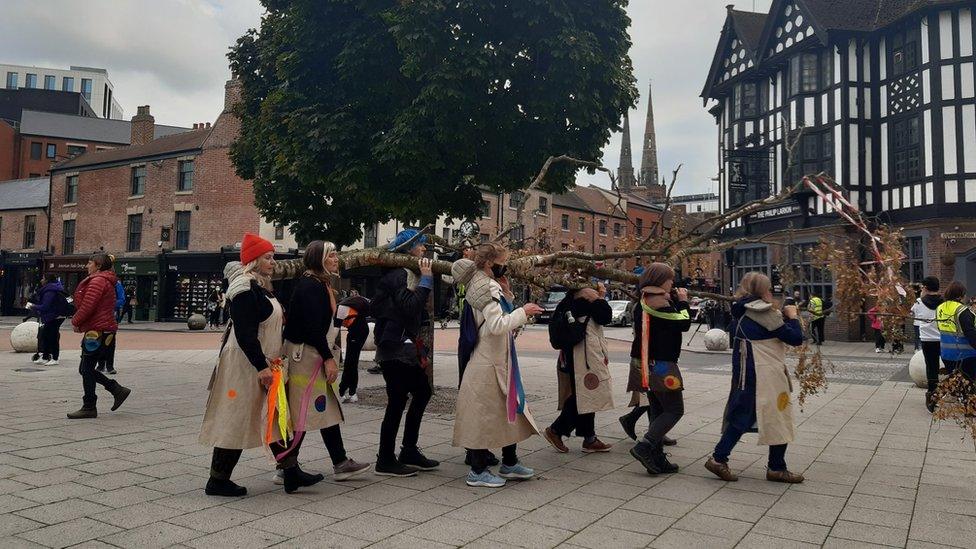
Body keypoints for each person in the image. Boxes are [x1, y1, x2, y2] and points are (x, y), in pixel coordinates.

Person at [270, 240, 371, 492]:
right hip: (306, 356)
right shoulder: (310, 286)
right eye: (332, 255)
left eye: (336, 253)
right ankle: (287, 465)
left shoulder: (320, 284)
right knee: (304, 410)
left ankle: (338, 461)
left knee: (323, 409)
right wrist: (327, 358)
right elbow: (313, 328)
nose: (337, 258)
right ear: (319, 260)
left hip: (310, 352)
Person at [451, 245, 543, 488]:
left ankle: (509, 462)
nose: (507, 265)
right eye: (504, 261)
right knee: (484, 416)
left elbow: (497, 317)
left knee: (506, 411)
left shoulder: (485, 284)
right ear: (490, 263)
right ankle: (478, 471)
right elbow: (497, 325)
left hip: (495, 361)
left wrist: (508, 295)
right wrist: (525, 311)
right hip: (488, 362)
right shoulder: (486, 286)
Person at [199, 234, 282, 497]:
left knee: (271, 414)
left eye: (273, 257)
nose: (272, 263)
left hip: (256, 362)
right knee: (234, 417)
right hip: (244, 365)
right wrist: (262, 366)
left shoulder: (258, 286)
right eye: (268, 258)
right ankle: (218, 479)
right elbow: (246, 333)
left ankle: (290, 469)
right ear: (254, 260)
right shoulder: (245, 288)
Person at [705, 272, 805, 483]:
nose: (771, 292)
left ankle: (719, 458)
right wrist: (793, 316)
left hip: (747, 373)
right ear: (761, 291)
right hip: (764, 374)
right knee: (778, 415)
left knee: (742, 416)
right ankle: (776, 467)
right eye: (768, 289)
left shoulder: (741, 310)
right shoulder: (763, 312)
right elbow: (795, 338)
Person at [371, 229, 439, 476]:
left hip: (402, 347)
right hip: (395, 347)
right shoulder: (399, 275)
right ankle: (386, 458)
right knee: (398, 401)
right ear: (409, 248)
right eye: (420, 245)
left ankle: (408, 449)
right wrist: (426, 280)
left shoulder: (404, 273)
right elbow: (410, 307)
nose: (423, 250)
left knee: (422, 392)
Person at [627, 263, 691, 475]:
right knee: (674, 409)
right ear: (660, 280)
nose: (673, 282)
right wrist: (683, 302)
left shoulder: (644, 299)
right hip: (660, 364)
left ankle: (657, 457)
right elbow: (683, 323)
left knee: (658, 410)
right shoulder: (658, 302)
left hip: (644, 363)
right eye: (670, 279)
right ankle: (645, 446)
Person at [544, 284, 614, 454]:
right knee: (584, 395)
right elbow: (605, 317)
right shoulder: (587, 298)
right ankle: (556, 430)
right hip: (584, 356)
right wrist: (599, 298)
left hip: (576, 354)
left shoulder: (568, 300)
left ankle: (589, 438)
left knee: (587, 394)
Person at [67, 253, 132, 419]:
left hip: (97, 331)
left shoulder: (97, 281)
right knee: (85, 368)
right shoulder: (107, 280)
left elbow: (89, 306)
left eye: (89, 263)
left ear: (97, 265)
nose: (87, 266)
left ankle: (90, 406)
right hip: (103, 329)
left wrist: (76, 321)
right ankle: (116, 389)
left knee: (86, 368)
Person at [912, 277, 943, 412]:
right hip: (943, 339)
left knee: (931, 367)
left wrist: (920, 296)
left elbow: (913, 313)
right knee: (950, 366)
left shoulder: (919, 303)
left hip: (927, 340)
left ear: (924, 288)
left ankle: (932, 394)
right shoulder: (944, 303)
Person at [338, 291, 370, 403]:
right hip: (359, 331)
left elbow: (335, 329)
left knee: (350, 363)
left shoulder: (339, 310)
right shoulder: (344, 307)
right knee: (351, 363)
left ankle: (346, 391)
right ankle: (348, 391)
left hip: (357, 332)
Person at [937, 281, 973, 378]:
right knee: (968, 385)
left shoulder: (940, 308)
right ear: (960, 296)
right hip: (966, 356)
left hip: (946, 355)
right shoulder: (962, 310)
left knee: (955, 384)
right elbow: (971, 334)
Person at [32, 275, 67, 366]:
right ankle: (45, 357)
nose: (41, 280)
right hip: (55, 316)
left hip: (54, 316)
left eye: (43, 278)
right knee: (45, 336)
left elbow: (45, 306)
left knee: (52, 337)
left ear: (47, 280)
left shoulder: (50, 291)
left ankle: (55, 358)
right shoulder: (55, 288)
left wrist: (33, 306)